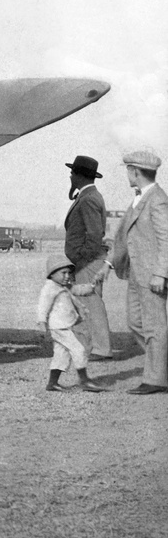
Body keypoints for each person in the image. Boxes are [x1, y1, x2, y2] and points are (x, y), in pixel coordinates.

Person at [109, 149, 168, 395]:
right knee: (134, 323)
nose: (127, 175)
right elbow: (126, 237)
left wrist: (161, 274)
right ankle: (161, 366)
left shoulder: (157, 199)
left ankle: (155, 378)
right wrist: (110, 263)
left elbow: (166, 238)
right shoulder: (139, 198)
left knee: (155, 325)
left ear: (135, 172)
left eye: (128, 171)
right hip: (136, 273)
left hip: (152, 275)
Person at [62, 155, 114, 361]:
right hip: (88, 260)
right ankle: (92, 347)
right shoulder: (87, 195)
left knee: (92, 303)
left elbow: (94, 234)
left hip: (89, 261)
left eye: (73, 172)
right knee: (87, 302)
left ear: (79, 176)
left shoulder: (89, 198)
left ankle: (101, 349)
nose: (70, 175)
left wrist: (81, 257)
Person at [36, 254, 105, 393]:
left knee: (61, 354)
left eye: (69, 273)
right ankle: (84, 380)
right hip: (58, 327)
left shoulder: (64, 286)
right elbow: (42, 306)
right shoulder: (49, 288)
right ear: (52, 274)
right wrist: (42, 322)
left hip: (65, 326)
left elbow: (77, 290)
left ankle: (52, 383)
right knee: (78, 349)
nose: (67, 276)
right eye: (63, 273)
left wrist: (92, 286)